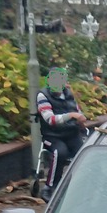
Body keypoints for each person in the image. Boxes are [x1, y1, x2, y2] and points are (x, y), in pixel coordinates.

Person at [36, 67, 87, 198]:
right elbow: (50, 120)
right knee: (60, 152)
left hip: (71, 133)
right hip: (52, 136)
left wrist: (81, 122)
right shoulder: (43, 95)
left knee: (85, 153)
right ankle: (49, 188)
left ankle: (79, 184)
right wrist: (71, 115)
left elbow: (77, 112)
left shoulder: (68, 94)